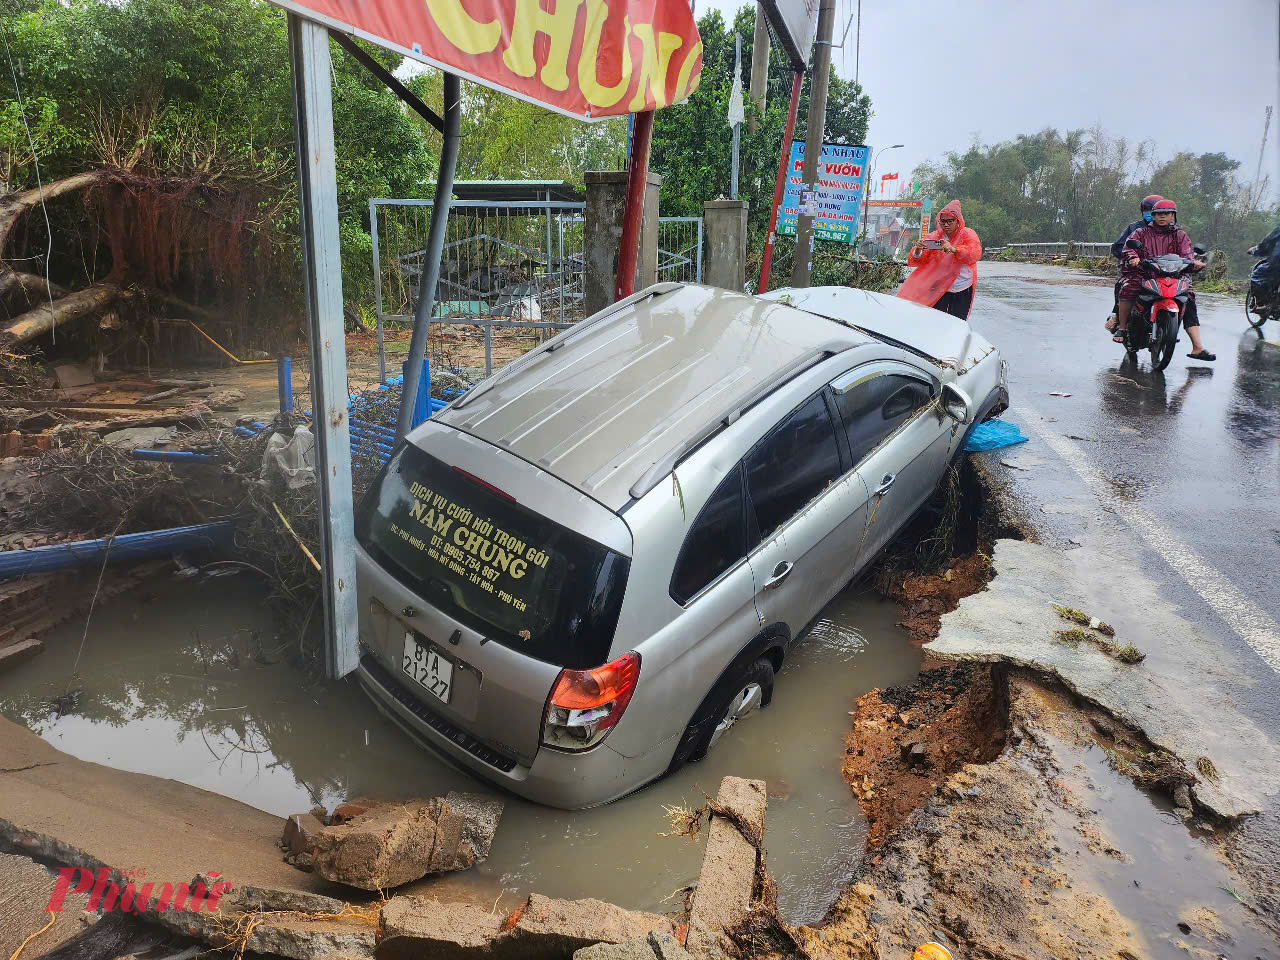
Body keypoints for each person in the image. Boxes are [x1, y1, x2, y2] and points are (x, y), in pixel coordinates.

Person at [1114, 198, 1215, 361]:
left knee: (1188, 296)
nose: (1162, 217)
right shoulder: (1140, 233)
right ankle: (1123, 327)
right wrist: (1133, 257)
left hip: (1173, 275)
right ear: (1152, 215)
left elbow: (1187, 253)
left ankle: (1197, 347)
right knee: (1129, 286)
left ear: (1173, 215)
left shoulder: (1180, 235)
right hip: (1144, 273)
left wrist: (1193, 262)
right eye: (1158, 214)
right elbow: (1128, 248)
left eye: (1166, 213)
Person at [899, 200, 982, 319]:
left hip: (962, 286)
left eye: (950, 221)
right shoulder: (935, 236)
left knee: (958, 322)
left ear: (957, 220)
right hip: (939, 287)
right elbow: (921, 259)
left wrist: (954, 249)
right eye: (943, 221)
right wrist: (918, 250)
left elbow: (974, 253)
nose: (946, 224)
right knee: (936, 320)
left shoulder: (967, 234)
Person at [1104, 195, 1163, 332]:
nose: (1149, 214)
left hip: (1162, 271)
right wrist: (1131, 258)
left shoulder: (1172, 231)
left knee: (1185, 293)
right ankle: (1117, 316)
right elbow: (1119, 247)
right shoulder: (1135, 229)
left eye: (1153, 210)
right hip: (1138, 270)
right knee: (1123, 285)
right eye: (1146, 210)